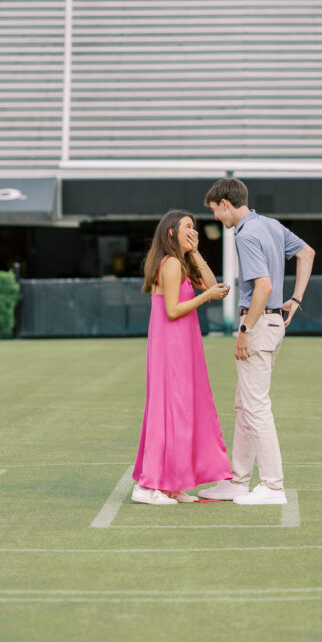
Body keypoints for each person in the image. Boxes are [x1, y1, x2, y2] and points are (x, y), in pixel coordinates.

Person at [199, 178, 315, 506]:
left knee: (255, 406)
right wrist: (296, 298)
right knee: (245, 404)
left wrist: (245, 330)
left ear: (225, 203)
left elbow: (262, 287)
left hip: (259, 324)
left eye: (214, 211)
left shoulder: (247, 233)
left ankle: (273, 486)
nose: (216, 219)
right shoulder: (271, 225)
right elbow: (307, 253)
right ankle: (238, 481)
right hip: (273, 322)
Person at [132, 210, 232, 506]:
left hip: (184, 346)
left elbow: (214, 284)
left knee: (184, 412)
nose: (193, 231)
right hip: (170, 348)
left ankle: (171, 485)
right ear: (172, 232)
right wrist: (205, 298)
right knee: (167, 411)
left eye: (195, 227)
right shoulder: (171, 263)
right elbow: (173, 310)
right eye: (188, 227)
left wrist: (197, 251)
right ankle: (148, 485)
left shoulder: (183, 261)